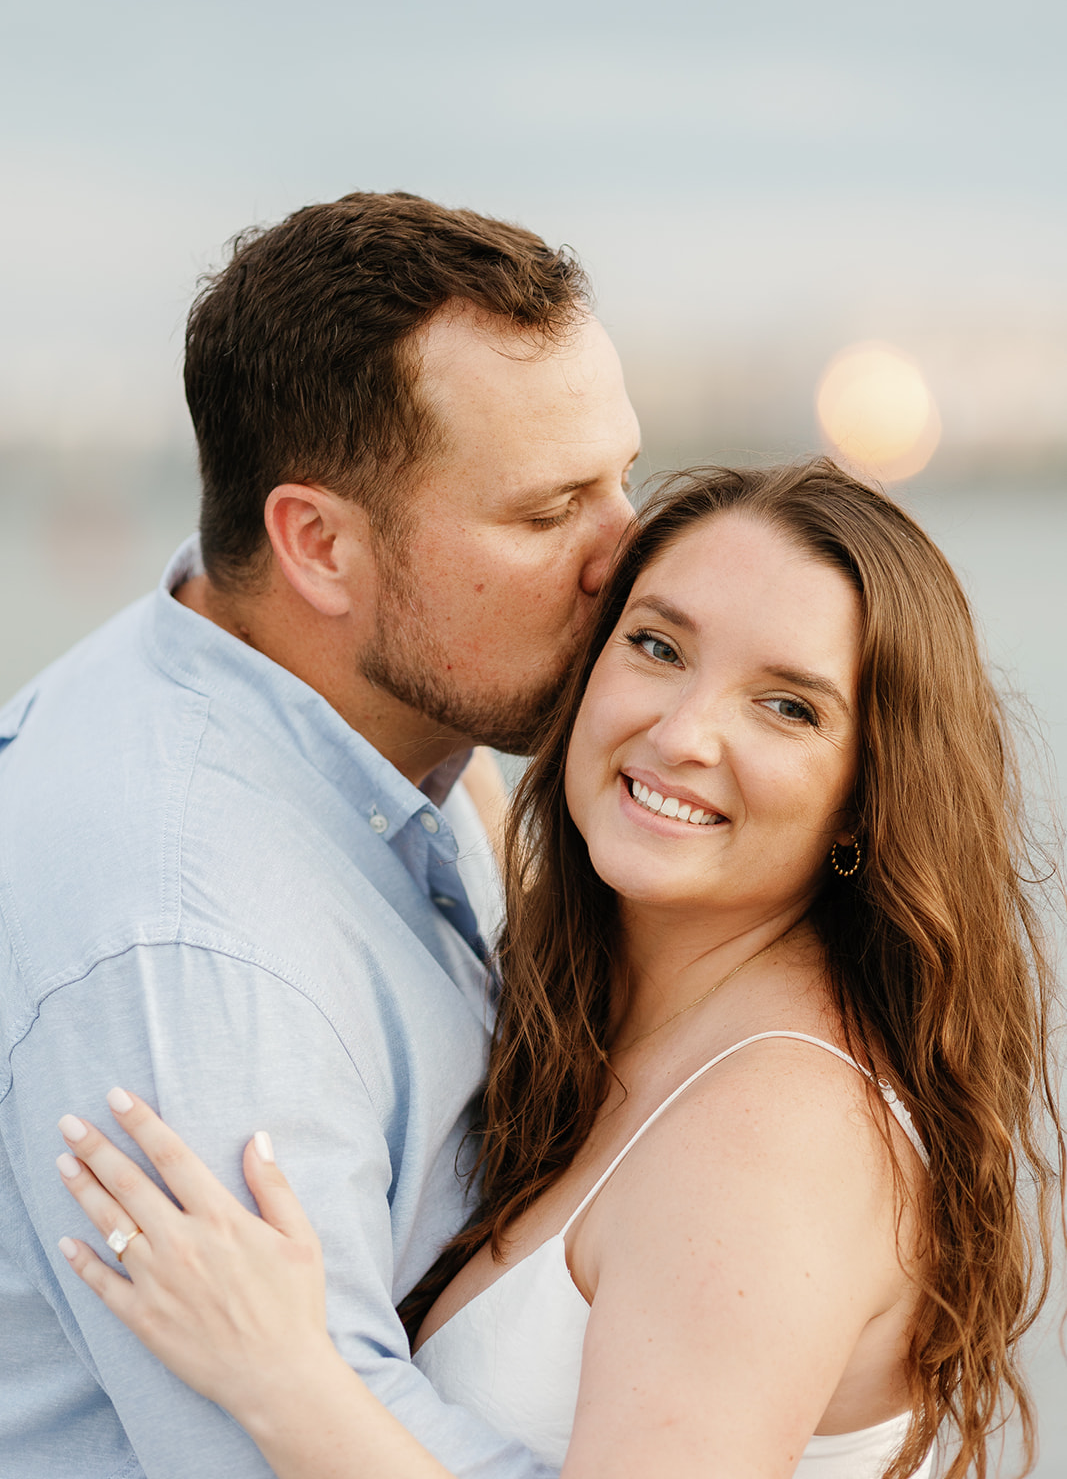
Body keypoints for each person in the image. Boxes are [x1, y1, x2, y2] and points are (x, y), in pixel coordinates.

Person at [54, 461, 1063, 1479]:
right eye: (657, 646)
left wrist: (283, 1382)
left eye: (786, 707)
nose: (681, 734)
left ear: (863, 797)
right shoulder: (606, 995)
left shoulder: (773, 1141)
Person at [0, 191, 640, 1478]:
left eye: (624, 478)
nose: (628, 556)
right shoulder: (196, 952)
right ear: (317, 545)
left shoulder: (363, 733)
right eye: (545, 511)